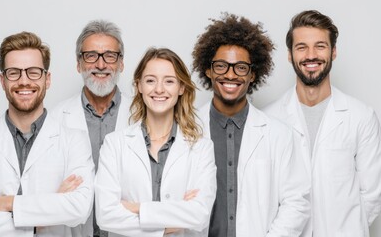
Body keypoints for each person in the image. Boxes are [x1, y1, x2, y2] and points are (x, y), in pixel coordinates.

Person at [263, 10, 381, 237]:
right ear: (290, 54)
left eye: (320, 46)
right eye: (301, 47)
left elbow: (372, 195)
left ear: (333, 51)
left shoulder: (361, 117)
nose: (311, 55)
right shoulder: (269, 118)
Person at [192, 13, 310, 237]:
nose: (230, 74)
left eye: (241, 68)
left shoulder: (279, 134)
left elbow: (296, 203)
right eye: (221, 66)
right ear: (208, 70)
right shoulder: (185, 129)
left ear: (253, 74)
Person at [0, 32, 94, 236]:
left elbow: (79, 208)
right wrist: (44, 214)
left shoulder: (74, 141)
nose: (24, 81)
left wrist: (6, 203)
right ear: (2, 80)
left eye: (33, 72)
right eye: (14, 72)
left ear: (47, 79)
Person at [95, 47, 217, 236]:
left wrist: (137, 208)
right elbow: (105, 215)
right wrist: (174, 219)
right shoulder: (114, 144)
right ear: (139, 86)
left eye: (169, 81)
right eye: (150, 80)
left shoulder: (201, 148)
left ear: (181, 88)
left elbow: (199, 215)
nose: (159, 89)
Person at [51, 20, 131, 237]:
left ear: (121, 63)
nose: (101, 64)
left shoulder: (141, 116)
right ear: (79, 64)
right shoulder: (55, 119)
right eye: (91, 56)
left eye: (110, 56)